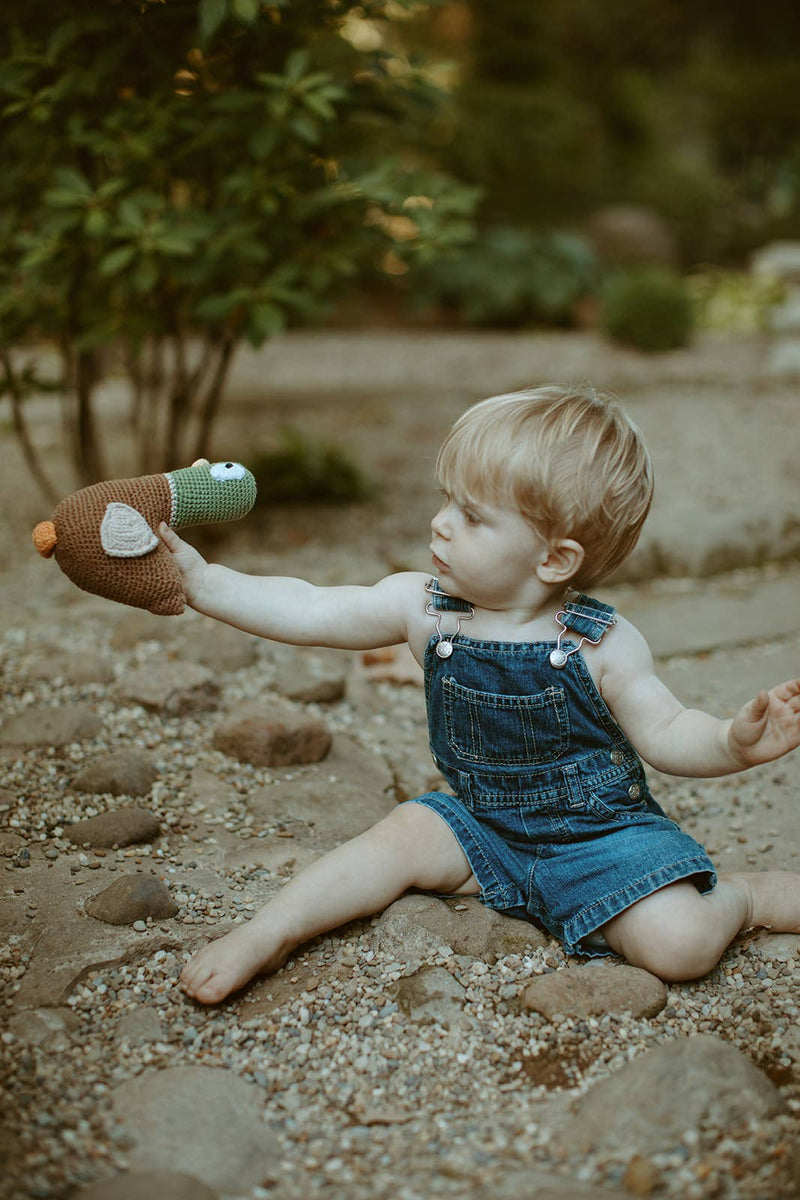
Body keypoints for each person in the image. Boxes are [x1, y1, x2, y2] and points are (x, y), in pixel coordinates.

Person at [160, 385, 800, 1005]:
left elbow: (666, 732)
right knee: (395, 839)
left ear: (554, 559)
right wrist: (204, 582)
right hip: (481, 826)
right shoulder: (423, 608)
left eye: (471, 515)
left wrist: (730, 741)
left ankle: (743, 897)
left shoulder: (602, 643)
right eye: (447, 501)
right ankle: (269, 932)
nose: (439, 523)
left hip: (600, 840)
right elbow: (309, 607)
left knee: (681, 947)